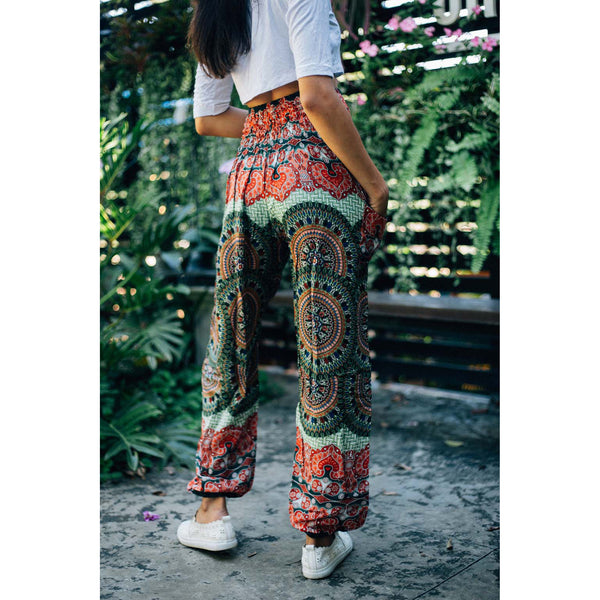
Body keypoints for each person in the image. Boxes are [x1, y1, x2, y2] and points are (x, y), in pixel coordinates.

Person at [176, 0, 389, 580]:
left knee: (232, 338)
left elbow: (207, 118)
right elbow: (318, 97)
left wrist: (267, 131)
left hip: (250, 177)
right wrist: (374, 185)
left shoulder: (215, 9)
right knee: (328, 343)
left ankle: (211, 511)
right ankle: (320, 535)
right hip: (314, 171)